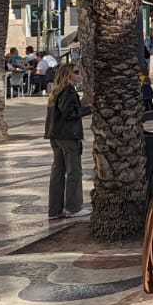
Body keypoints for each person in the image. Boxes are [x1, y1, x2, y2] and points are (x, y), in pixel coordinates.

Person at [43, 62, 88, 220]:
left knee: (58, 172)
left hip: (56, 136)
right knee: (74, 171)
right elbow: (69, 113)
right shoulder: (68, 90)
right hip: (68, 136)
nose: (79, 75)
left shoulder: (56, 91)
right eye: (76, 72)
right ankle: (73, 207)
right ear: (68, 74)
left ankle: (55, 209)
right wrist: (88, 109)